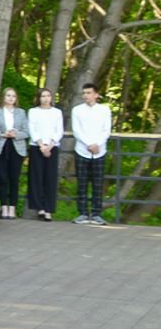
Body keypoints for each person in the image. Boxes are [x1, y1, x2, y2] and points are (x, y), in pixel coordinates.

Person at [70, 83, 112, 225]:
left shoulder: (104, 110)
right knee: (82, 182)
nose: (86, 96)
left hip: (99, 151)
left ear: (96, 94)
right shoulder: (77, 110)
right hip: (82, 150)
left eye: (89, 93)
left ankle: (96, 214)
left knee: (98, 183)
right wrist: (89, 144)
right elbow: (76, 130)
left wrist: (97, 144)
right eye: (84, 93)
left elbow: (106, 130)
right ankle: (82, 213)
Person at [0, 87, 27, 220]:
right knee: (2, 177)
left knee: (14, 178)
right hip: (1, 146)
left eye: (13, 96)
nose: (11, 98)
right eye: (8, 96)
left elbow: (26, 132)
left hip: (16, 147)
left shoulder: (21, 113)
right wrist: (2, 134)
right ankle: (4, 206)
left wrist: (16, 134)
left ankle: (13, 208)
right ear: (3, 97)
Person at [26, 87, 63, 221]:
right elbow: (32, 129)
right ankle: (39, 207)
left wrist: (50, 145)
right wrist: (41, 145)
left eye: (48, 96)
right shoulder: (33, 112)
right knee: (36, 177)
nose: (46, 98)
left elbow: (59, 131)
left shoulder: (57, 112)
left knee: (50, 178)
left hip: (53, 147)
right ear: (39, 98)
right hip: (37, 146)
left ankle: (48, 209)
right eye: (43, 96)